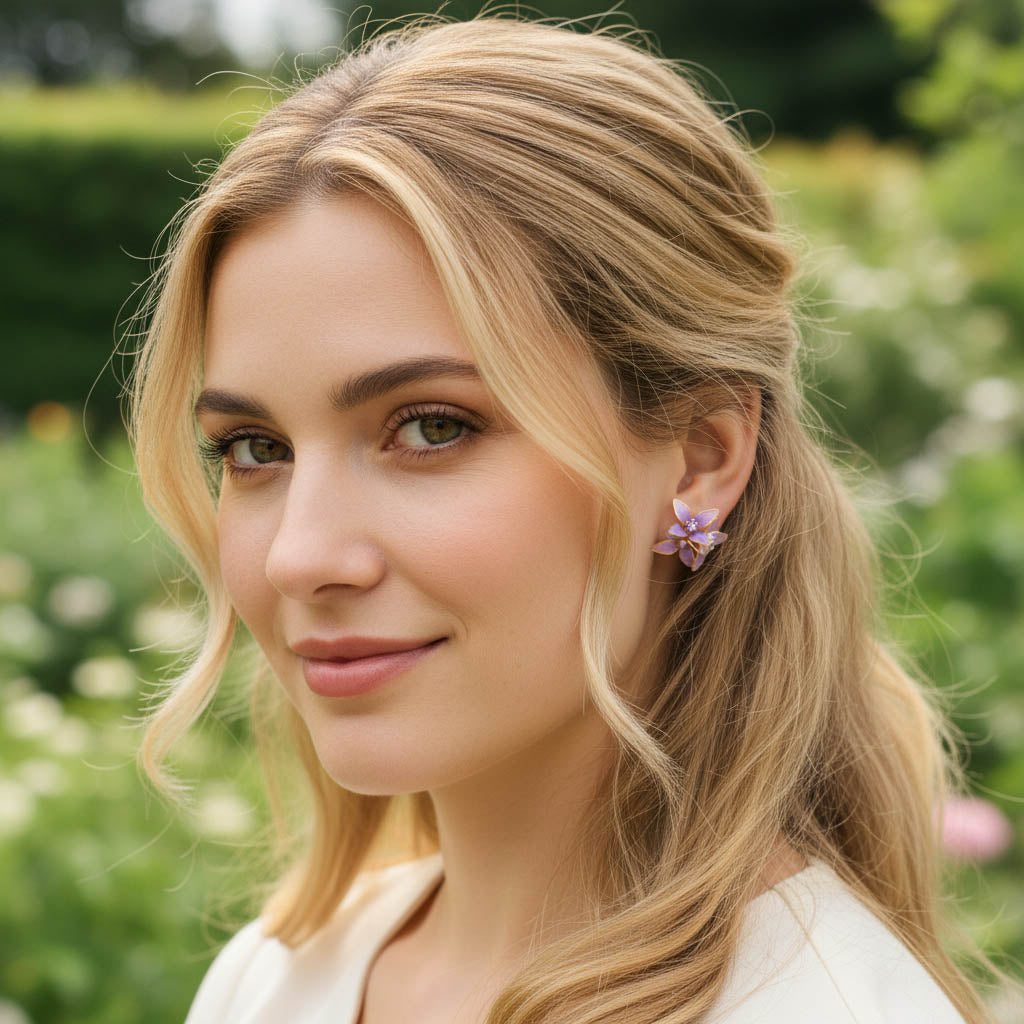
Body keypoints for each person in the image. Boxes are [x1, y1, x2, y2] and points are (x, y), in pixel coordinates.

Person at [125, 11, 1000, 1023]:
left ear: (704, 456)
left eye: (431, 426)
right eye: (253, 448)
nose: (299, 555)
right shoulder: (272, 983)